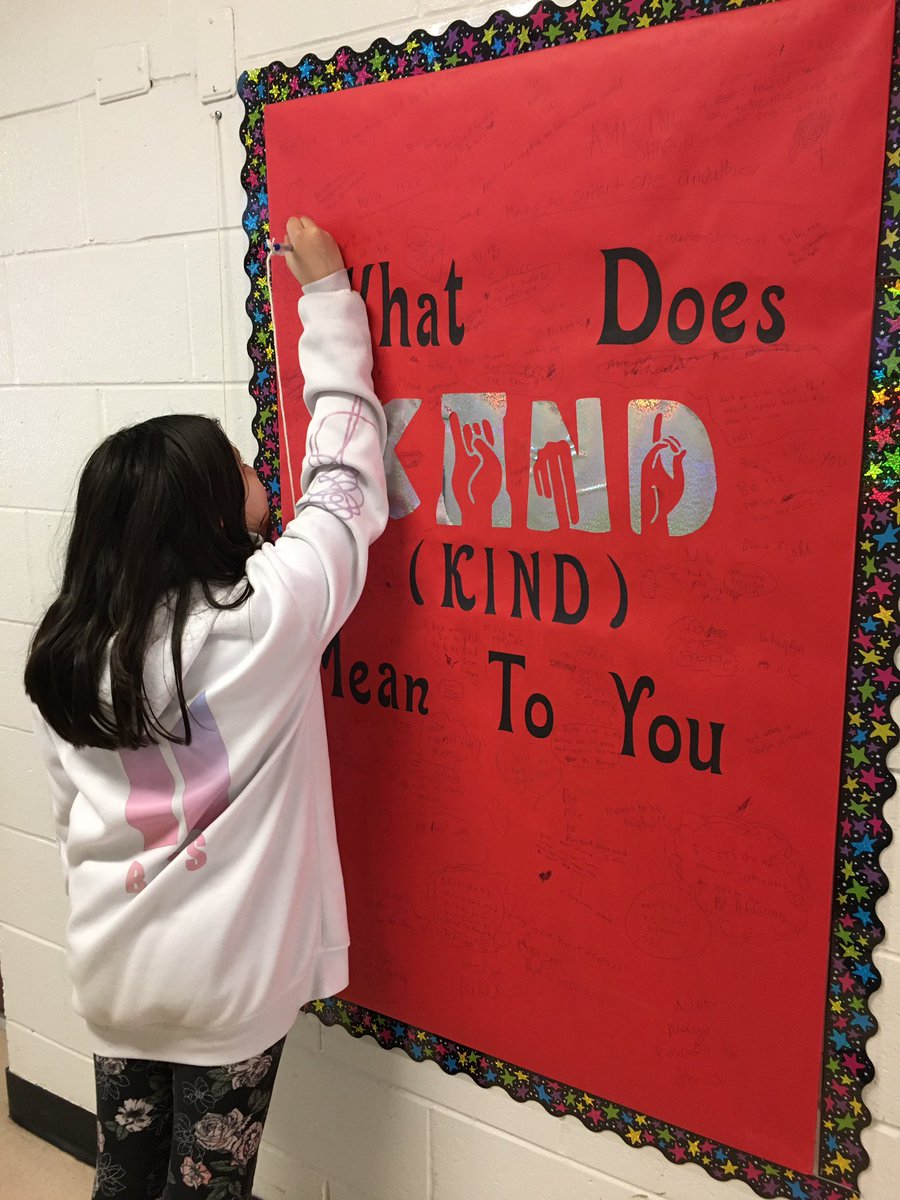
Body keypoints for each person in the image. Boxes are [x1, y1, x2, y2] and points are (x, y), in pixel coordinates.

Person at [23, 215, 388, 1199]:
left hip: (118, 974)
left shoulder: (70, 651)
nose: (254, 468)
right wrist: (328, 300)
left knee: (125, 1175)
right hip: (225, 985)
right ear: (205, 516)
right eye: (235, 466)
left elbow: (72, 821)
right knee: (208, 1185)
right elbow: (347, 483)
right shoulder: (262, 622)